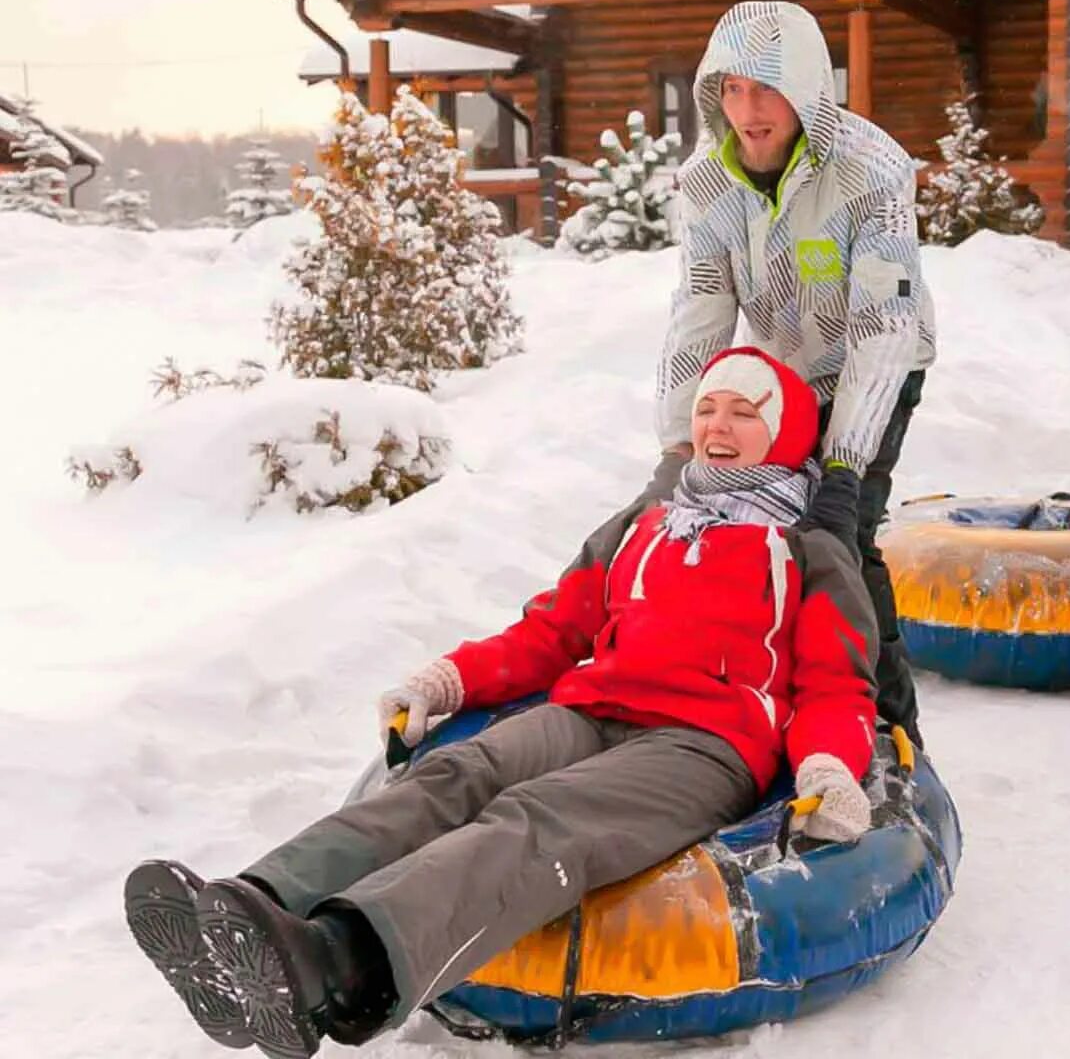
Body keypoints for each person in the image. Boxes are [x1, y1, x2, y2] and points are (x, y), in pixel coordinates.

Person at [123, 349, 879, 1059]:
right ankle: (253, 906)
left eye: (745, 412)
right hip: (590, 712)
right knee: (458, 774)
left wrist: (827, 767)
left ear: (785, 433)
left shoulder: (805, 548)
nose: (718, 426)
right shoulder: (643, 527)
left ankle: (336, 958)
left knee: (539, 820)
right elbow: (553, 630)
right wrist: (448, 680)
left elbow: (837, 682)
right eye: (708, 408)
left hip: (700, 744)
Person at [653, 1, 935, 748]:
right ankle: (774, 697)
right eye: (733, 90)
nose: (748, 110)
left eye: (767, 89)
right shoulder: (708, 183)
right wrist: (677, 442)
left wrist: (844, 465)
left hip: (879, 365)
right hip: (786, 371)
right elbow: (701, 309)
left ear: (808, 88)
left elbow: (883, 325)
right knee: (760, 527)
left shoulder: (871, 171)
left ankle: (890, 725)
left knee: (842, 537)